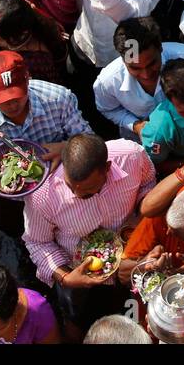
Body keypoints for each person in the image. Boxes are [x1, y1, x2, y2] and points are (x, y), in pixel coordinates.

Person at [22, 133, 156, 329]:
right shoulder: (43, 196)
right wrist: (66, 278)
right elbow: (37, 242)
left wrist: (139, 227)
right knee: (78, 316)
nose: (76, 194)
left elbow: (148, 183)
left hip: (131, 258)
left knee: (129, 307)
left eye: (87, 191)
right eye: (71, 186)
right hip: (77, 272)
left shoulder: (132, 157)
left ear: (108, 169)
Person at [0, 51, 91, 183]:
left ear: (27, 79)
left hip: (59, 182)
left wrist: (67, 147)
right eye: (2, 99)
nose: (12, 105)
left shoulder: (58, 99)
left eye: (17, 96)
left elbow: (90, 140)